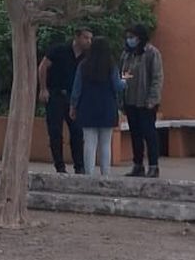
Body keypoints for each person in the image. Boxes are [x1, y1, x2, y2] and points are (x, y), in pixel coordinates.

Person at [38, 27, 93, 173]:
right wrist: (43, 89)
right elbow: (43, 66)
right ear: (77, 37)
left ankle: (79, 166)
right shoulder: (59, 50)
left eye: (90, 38)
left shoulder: (87, 57)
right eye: (86, 37)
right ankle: (60, 166)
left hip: (74, 98)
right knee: (55, 132)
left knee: (77, 132)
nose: (88, 41)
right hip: (56, 94)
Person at [69, 37, 126, 177]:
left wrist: (73, 106)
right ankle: (105, 173)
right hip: (107, 108)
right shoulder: (111, 66)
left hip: (87, 108)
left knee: (89, 143)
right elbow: (117, 86)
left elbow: (77, 89)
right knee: (106, 143)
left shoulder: (83, 65)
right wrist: (124, 81)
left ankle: (89, 173)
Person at [120, 23, 164, 177]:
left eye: (133, 37)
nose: (130, 40)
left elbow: (157, 77)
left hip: (146, 101)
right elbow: (125, 75)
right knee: (135, 134)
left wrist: (153, 98)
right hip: (130, 100)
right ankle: (137, 165)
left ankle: (153, 165)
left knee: (149, 134)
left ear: (140, 37)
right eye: (128, 37)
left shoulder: (152, 53)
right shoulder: (127, 54)